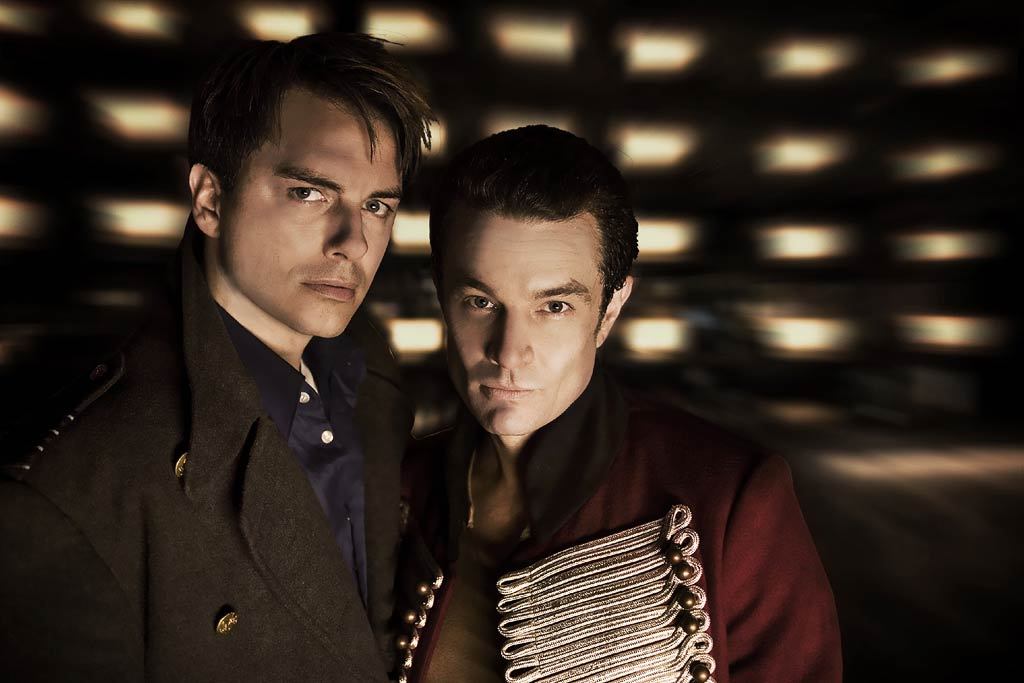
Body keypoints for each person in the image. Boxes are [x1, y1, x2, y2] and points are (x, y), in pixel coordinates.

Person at [0, 33, 434, 681]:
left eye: (376, 205)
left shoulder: (371, 376)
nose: (354, 242)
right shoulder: (73, 496)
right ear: (209, 199)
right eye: (309, 193)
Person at [394, 125, 842, 683]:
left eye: (554, 306)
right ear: (442, 297)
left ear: (609, 310)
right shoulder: (397, 487)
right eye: (480, 301)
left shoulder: (731, 496)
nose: (508, 352)